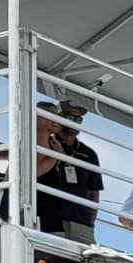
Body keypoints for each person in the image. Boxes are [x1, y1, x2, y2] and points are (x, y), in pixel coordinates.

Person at [33, 101, 104, 239]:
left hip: (81, 225)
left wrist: (90, 224)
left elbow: (93, 194)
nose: (74, 122)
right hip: (48, 221)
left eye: (78, 119)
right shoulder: (45, 143)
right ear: (58, 119)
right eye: (70, 118)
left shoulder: (89, 154)